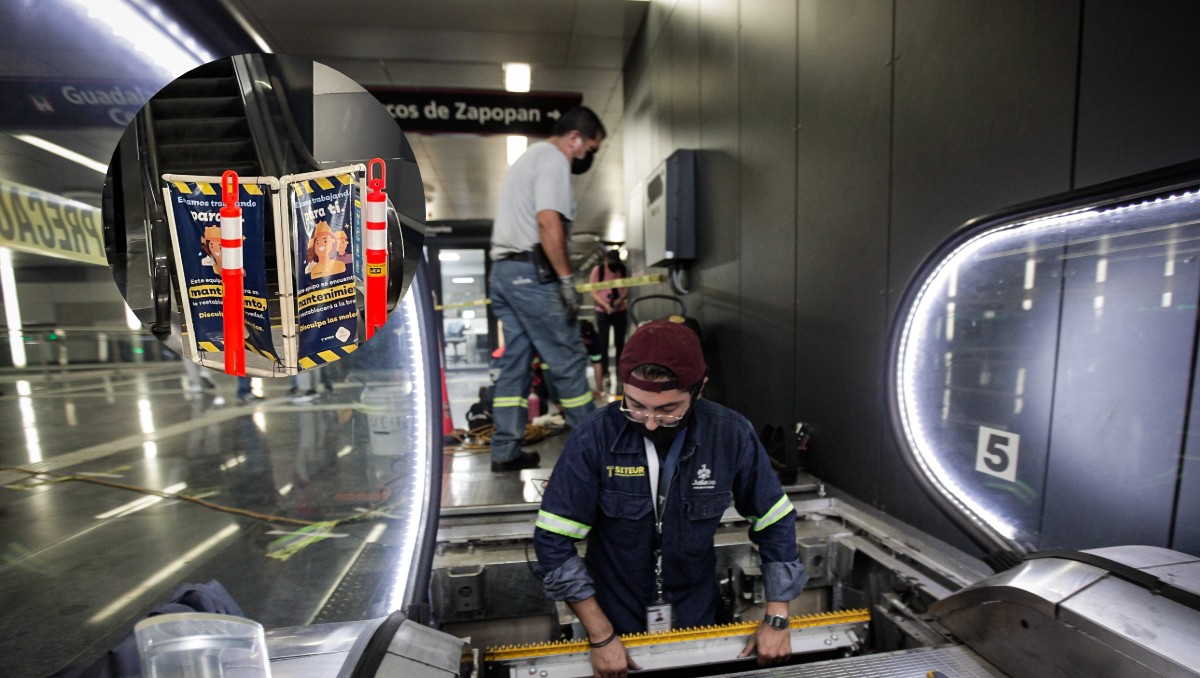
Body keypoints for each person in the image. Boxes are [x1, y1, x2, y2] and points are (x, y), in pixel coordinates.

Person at [533, 321, 807, 676]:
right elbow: (553, 543)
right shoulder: (593, 438)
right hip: (612, 616)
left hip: (695, 613)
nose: (648, 422)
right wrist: (600, 636)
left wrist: (777, 616)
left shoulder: (730, 434)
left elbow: (774, 522)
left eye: (667, 409)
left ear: (699, 390)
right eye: (635, 405)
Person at [487, 106, 607, 472]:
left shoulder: (527, 159)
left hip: (504, 273)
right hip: (532, 274)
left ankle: (505, 451)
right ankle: (597, 455)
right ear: (575, 138)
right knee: (568, 359)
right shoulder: (554, 159)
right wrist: (567, 279)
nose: (586, 156)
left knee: (516, 366)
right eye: (589, 147)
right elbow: (547, 220)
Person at [589, 250, 628, 391]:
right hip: (602, 311)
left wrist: (618, 302)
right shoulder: (598, 271)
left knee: (620, 343)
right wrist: (605, 305)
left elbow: (626, 288)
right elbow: (593, 291)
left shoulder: (622, 269)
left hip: (619, 310)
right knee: (603, 344)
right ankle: (604, 373)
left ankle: (620, 372)